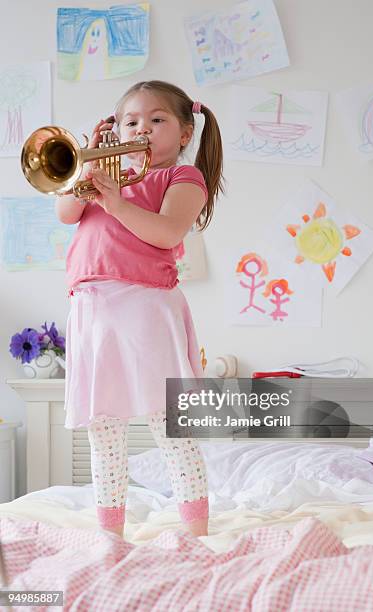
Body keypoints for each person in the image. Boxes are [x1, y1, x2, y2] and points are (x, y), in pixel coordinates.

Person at [55, 80, 224, 539]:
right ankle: (110, 534)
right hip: (92, 309)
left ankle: (197, 533)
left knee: (169, 425)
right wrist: (88, 161)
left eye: (156, 119)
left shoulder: (182, 177)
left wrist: (114, 203)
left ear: (185, 133)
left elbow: (168, 233)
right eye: (131, 120)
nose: (142, 128)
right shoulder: (103, 176)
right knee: (103, 428)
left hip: (145, 306)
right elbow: (65, 213)